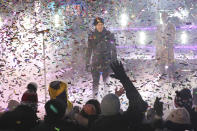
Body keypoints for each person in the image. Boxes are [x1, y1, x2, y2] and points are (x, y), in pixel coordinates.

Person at [86, 17, 117, 98]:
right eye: (98, 25)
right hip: (95, 63)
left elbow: (114, 50)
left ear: (103, 25)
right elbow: (89, 50)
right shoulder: (92, 36)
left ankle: (106, 101)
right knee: (95, 84)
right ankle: (94, 100)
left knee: (106, 83)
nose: (100, 26)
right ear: (95, 26)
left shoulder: (109, 35)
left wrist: (114, 63)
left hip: (106, 62)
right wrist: (87, 63)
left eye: (101, 24)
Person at [155, 12, 176, 80]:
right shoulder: (159, 26)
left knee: (170, 61)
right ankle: (162, 74)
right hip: (161, 47)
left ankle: (171, 75)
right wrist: (158, 45)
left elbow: (173, 35)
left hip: (168, 47)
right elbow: (156, 36)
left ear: (167, 17)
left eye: (164, 17)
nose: (163, 18)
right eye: (162, 17)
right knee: (161, 61)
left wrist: (168, 43)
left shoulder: (171, 26)